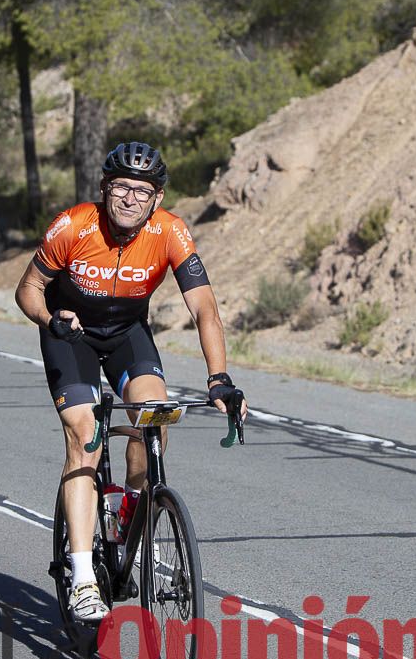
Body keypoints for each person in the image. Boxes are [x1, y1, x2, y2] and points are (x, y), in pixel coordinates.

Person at [15, 141, 248, 623]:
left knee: (156, 421)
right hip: (70, 333)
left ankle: (129, 514)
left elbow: (204, 307)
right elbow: (27, 288)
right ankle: (81, 577)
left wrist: (219, 378)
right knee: (85, 438)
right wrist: (48, 318)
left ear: (156, 199)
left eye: (141, 192)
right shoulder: (74, 225)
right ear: (104, 188)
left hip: (127, 335)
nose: (129, 199)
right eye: (120, 187)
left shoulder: (171, 232)